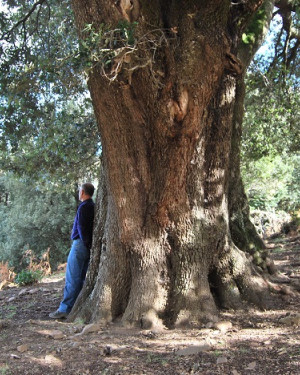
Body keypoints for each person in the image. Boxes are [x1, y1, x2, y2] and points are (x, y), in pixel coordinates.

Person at [49, 183, 95, 319]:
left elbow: (81, 228)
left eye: (79, 190)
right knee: (79, 278)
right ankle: (74, 306)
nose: (78, 192)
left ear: (83, 192)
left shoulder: (84, 207)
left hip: (80, 245)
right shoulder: (91, 205)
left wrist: (86, 243)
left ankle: (65, 309)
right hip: (85, 246)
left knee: (72, 278)